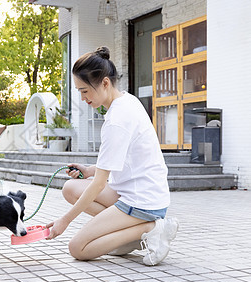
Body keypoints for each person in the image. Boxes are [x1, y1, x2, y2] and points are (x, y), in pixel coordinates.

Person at [45, 46, 179, 266]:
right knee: (71, 189)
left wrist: (64, 221)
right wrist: (89, 171)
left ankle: (152, 228)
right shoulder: (127, 101)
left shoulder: (117, 119)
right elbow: (119, 163)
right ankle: (133, 235)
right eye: (79, 92)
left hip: (142, 200)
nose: (82, 98)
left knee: (78, 247)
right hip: (140, 191)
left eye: (85, 91)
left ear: (105, 83)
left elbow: (98, 185)